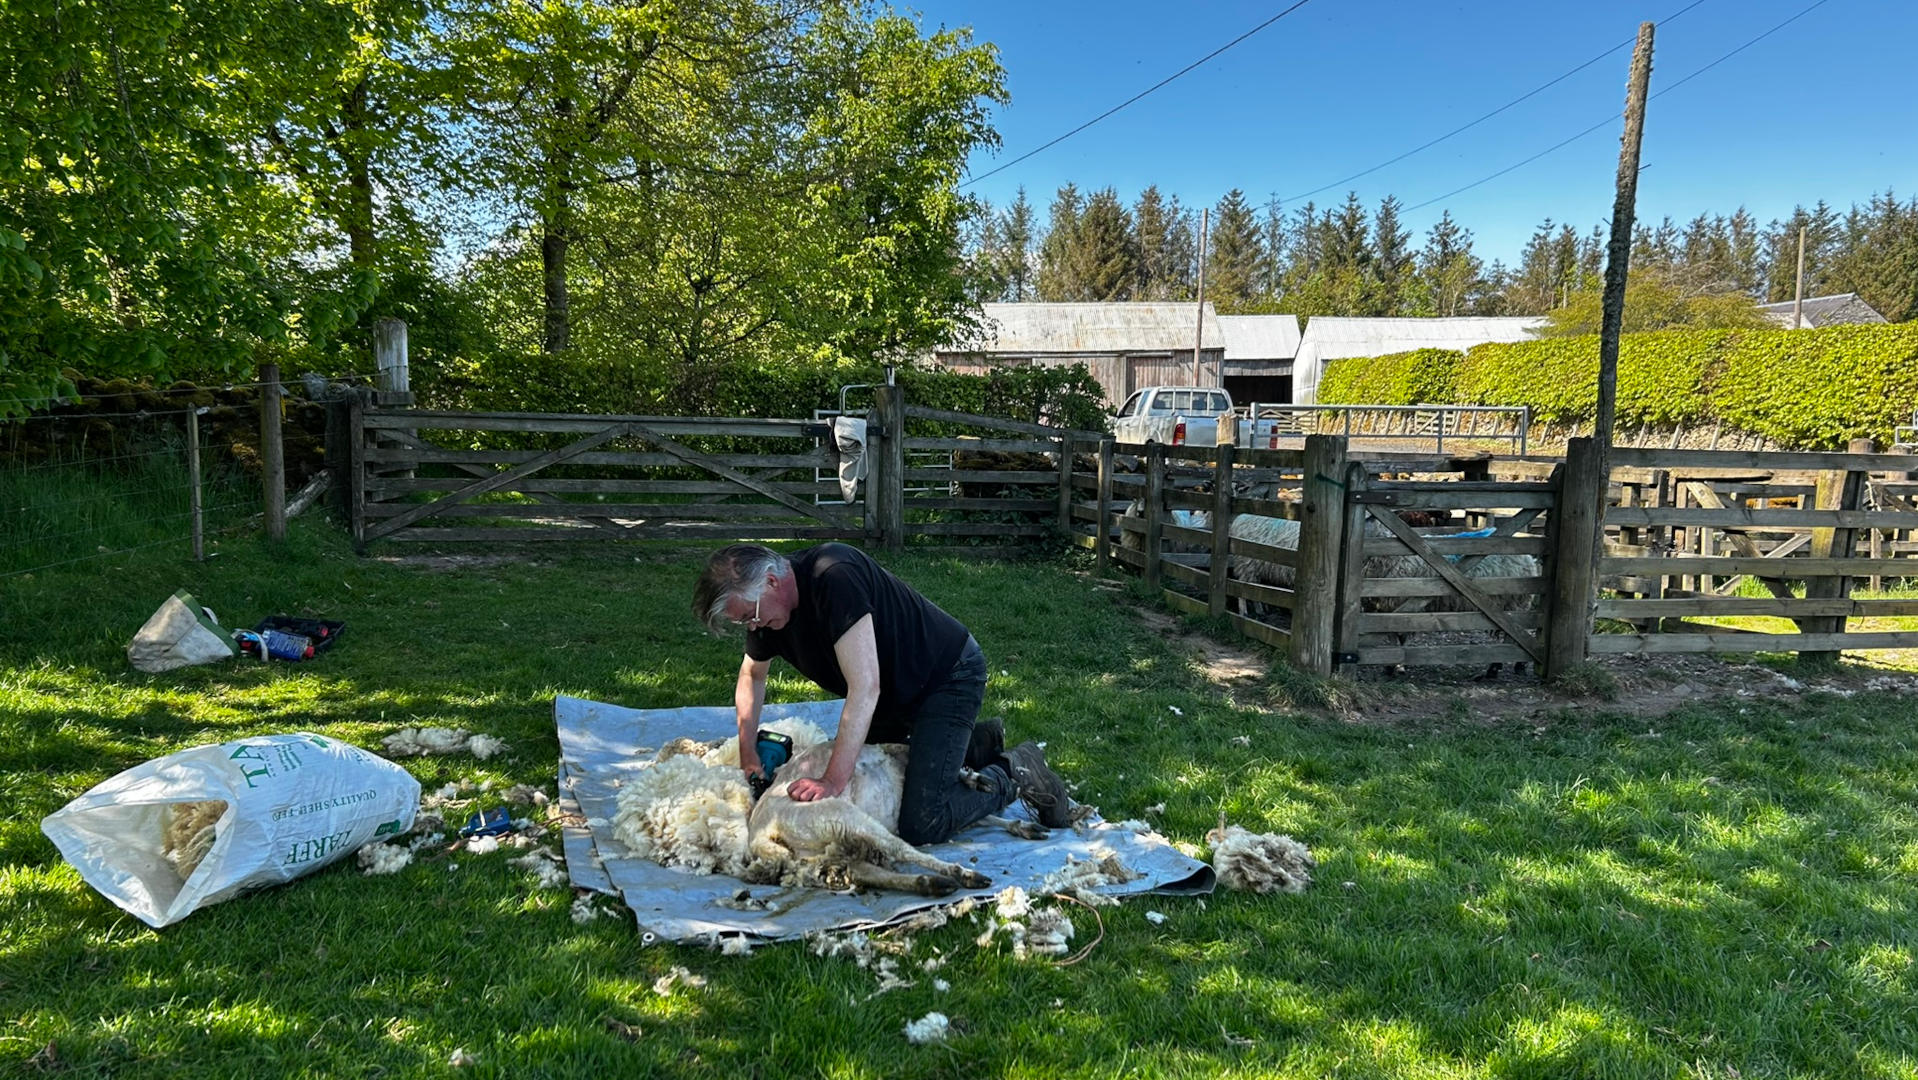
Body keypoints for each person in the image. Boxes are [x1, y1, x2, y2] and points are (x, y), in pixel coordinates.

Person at [691, 542, 1072, 844]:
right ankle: (976, 745)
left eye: (750, 614)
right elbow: (752, 676)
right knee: (884, 783)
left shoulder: (833, 575)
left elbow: (865, 686)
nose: (752, 626)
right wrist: (748, 752)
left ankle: (1015, 769)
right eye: (744, 621)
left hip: (945, 677)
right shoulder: (767, 615)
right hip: (890, 696)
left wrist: (832, 781)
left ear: (772, 582)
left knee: (923, 822)